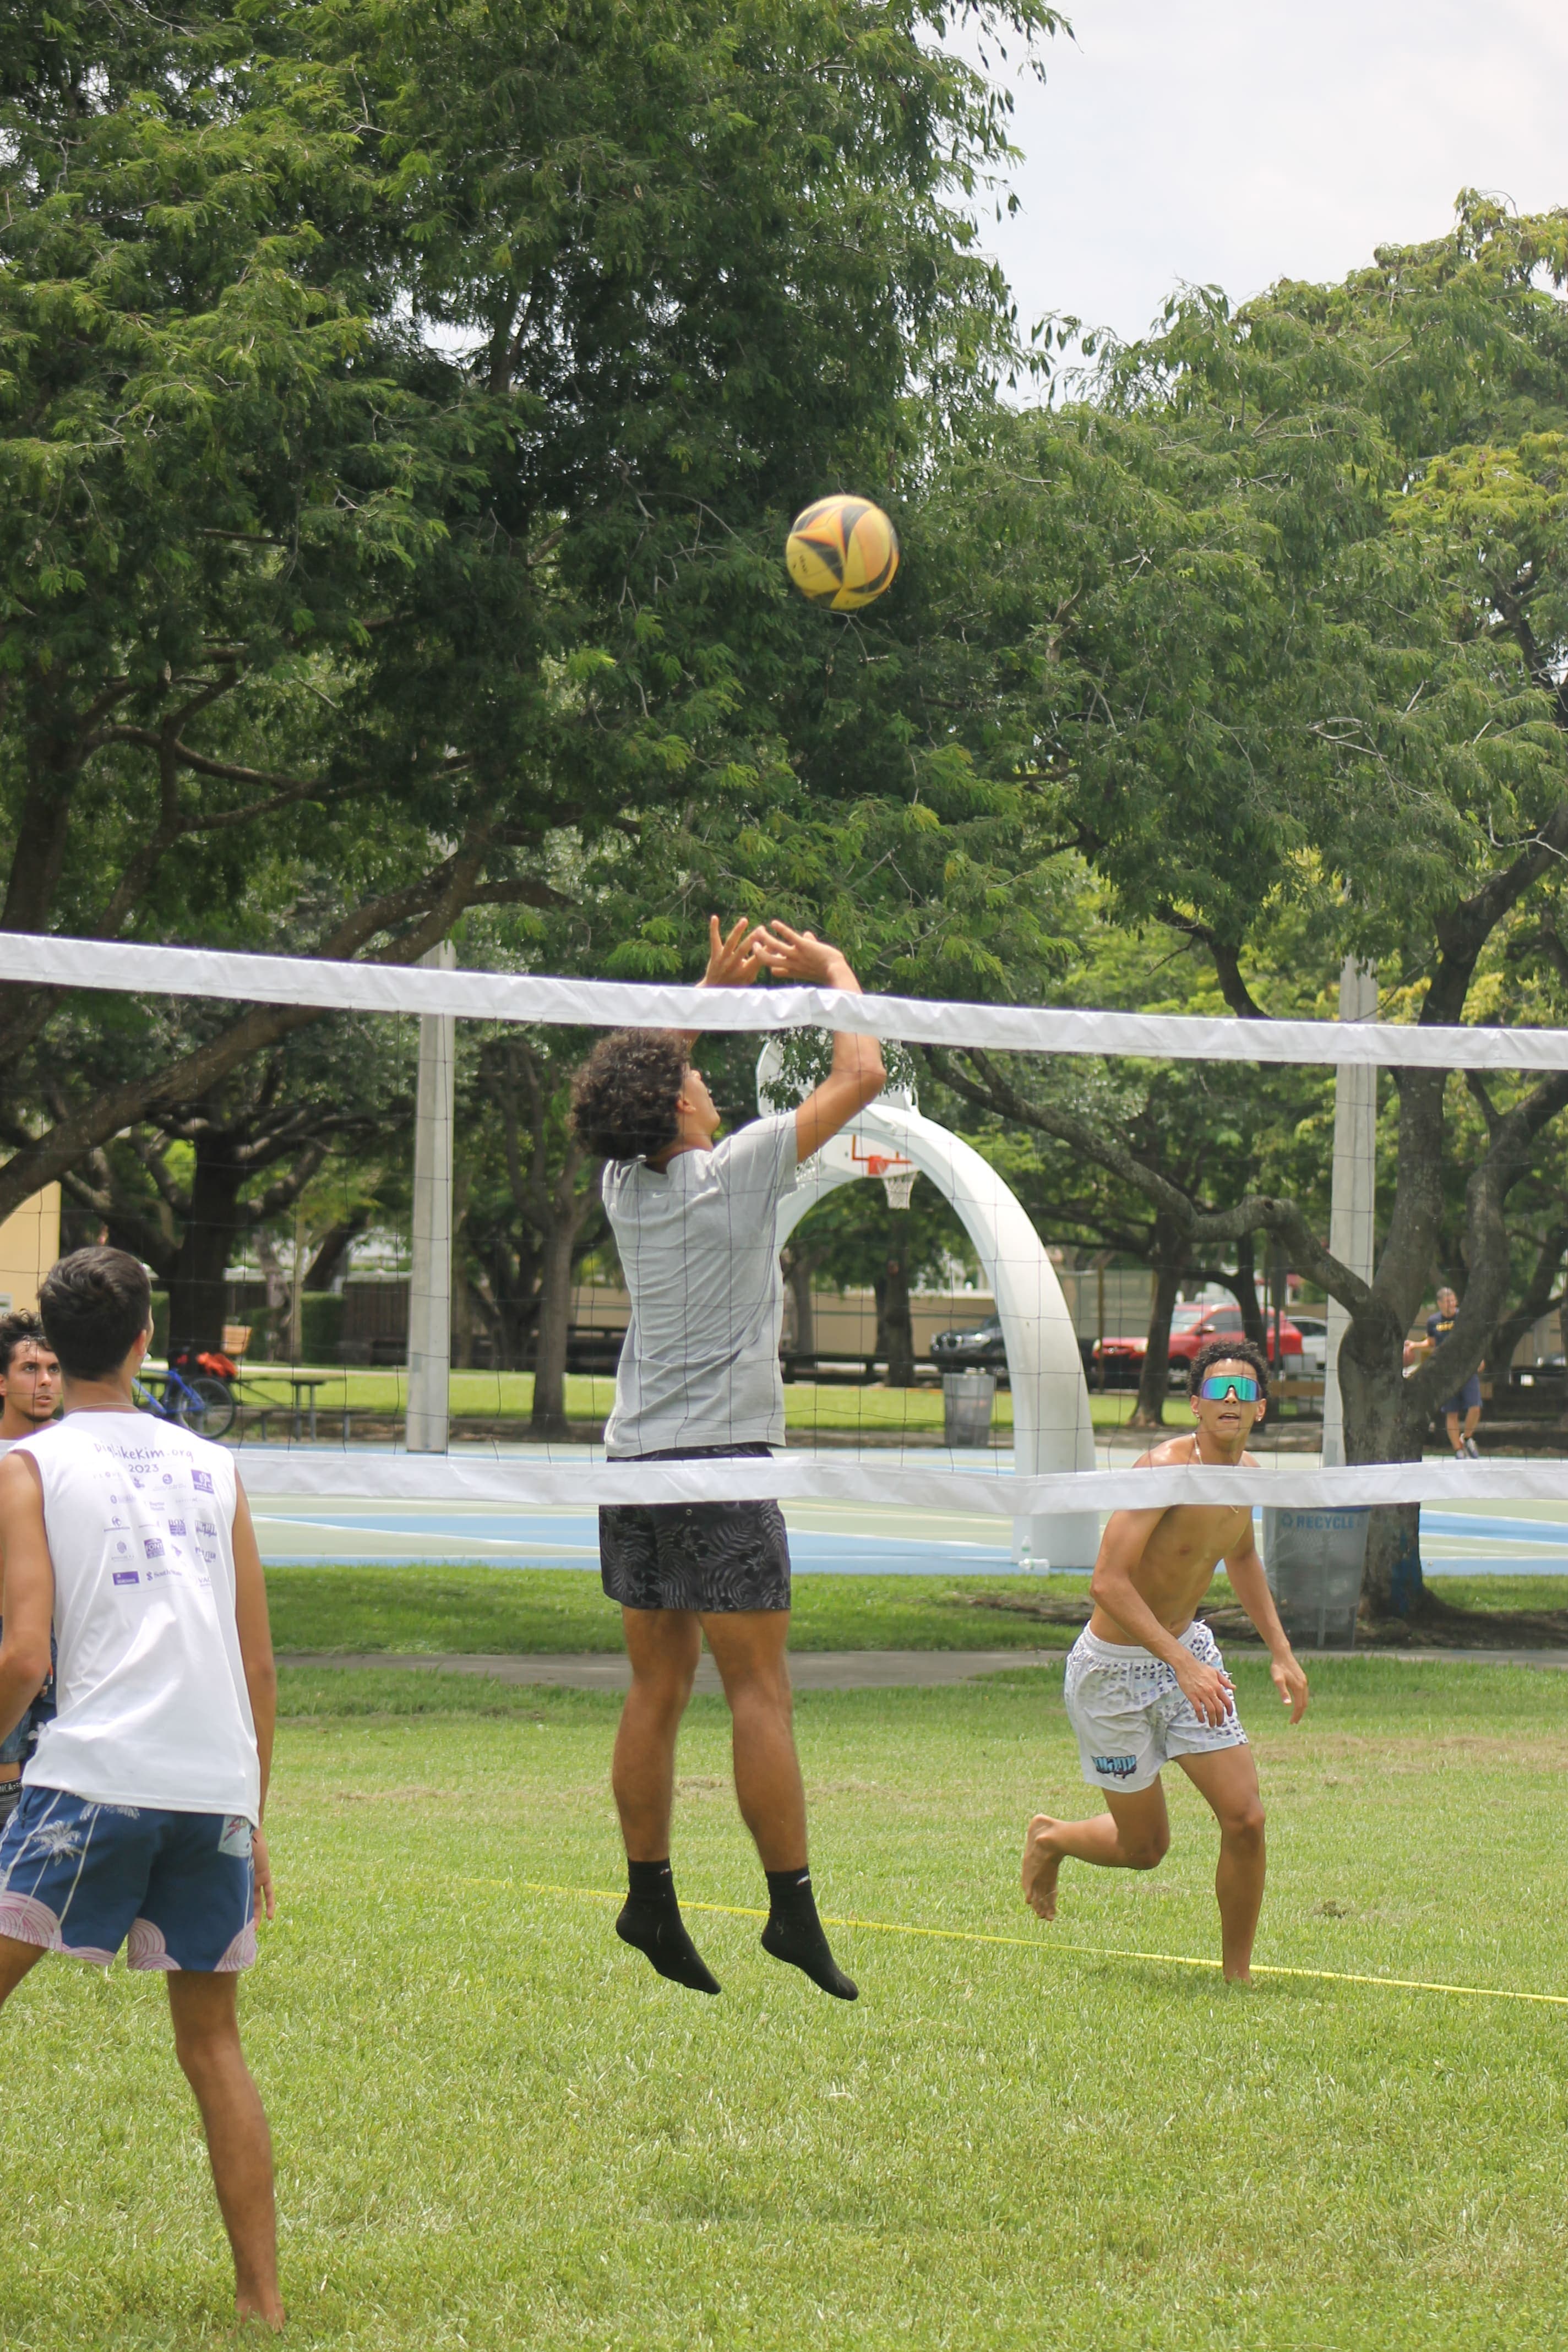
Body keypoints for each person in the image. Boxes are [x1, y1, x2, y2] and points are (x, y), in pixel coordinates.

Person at [571, 916, 885, 2001]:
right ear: (679, 1108)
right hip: (722, 1470)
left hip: (636, 1467)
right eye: (686, 1081)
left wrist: (705, 990)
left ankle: (647, 1894)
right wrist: (829, 973)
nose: (701, 1085)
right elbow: (865, 1071)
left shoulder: (625, 1188)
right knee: (758, 1691)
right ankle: (790, 1911)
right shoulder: (743, 1168)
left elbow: (643, 1079)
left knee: (655, 1688)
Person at [0, 1248, 283, 2330]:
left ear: (53, 1352)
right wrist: (250, 1812)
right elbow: (258, 1667)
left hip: (92, 1780)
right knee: (213, 2044)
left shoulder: (26, 1467)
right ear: (142, 1340)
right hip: (212, 1783)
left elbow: (27, 1656)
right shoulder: (216, 1468)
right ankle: (260, 2304)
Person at [1021, 1339, 1310, 1984]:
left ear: (1260, 1408)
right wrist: (1181, 1662)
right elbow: (1106, 1582)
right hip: (1112, 1674)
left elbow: (1240, 1557)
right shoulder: (1161, 1470)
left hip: (1188, 1657)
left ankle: (1236, 1976)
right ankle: (1050, 1839)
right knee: (1144, 1849)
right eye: (1217, 1391)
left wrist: (1282, 1654)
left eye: (1243, 1392)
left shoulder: (1247, 1476)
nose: (1230, 1401)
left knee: (1246, 1819)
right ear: (1196, 1407)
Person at [0, 1311, 61, 1830]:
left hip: (67, 1634)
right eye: (29, 1369)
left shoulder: (73, 1453)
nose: (44, 1381)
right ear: (1, 1381)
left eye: (54, 1369)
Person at [1414, 1284, 1483, 1458]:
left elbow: (1474, 1340)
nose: (1450, 1304)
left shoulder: (1464, 1317)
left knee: (1475, 1407)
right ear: (1439, 1304)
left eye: (1452, 1300)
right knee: (1452, 1412)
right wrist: (1415, 1345)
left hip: (1466, 1369)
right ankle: (1458, 1450)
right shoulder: (1433, 1322)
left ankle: (1467, 1437)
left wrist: (1479, 1359)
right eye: (1446, 1302)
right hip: (1446, 1372)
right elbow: (1431, 1343)